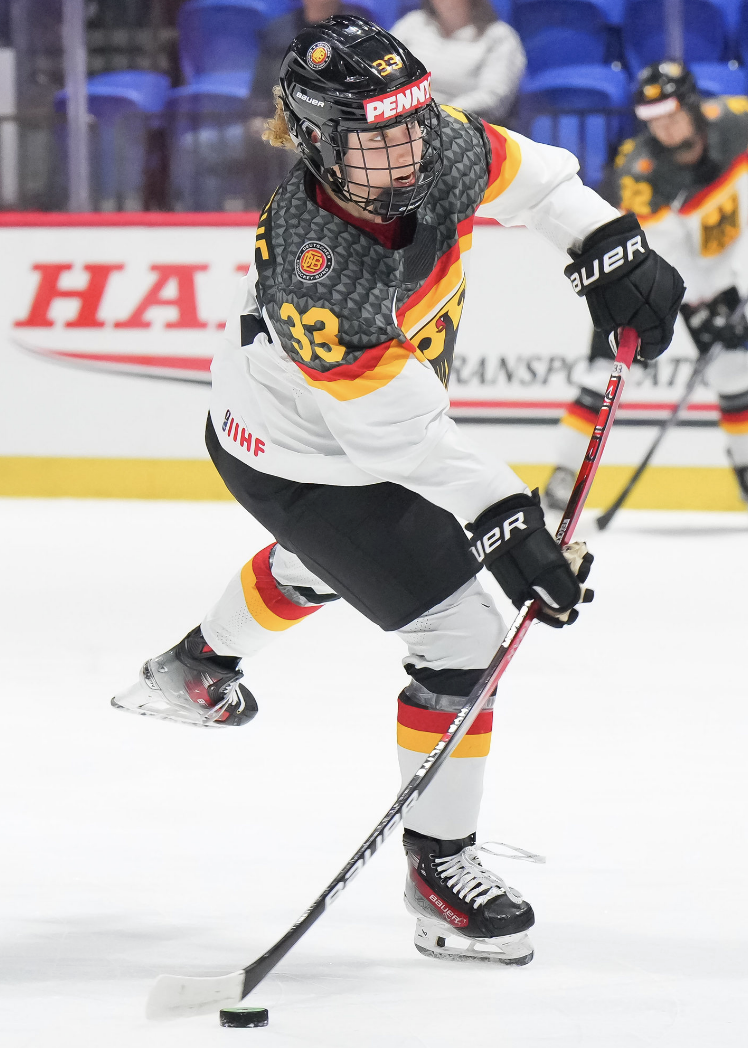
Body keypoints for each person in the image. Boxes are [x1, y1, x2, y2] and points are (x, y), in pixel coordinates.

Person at [112, 17, 683, 965]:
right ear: (317, 140)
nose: (406, 151)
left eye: (411, 124)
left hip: (327, 433)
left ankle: (196, 665)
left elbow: (541, 182)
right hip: (300, 456)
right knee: (462, 635)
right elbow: (401, 438)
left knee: (329, 565)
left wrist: (608, 243)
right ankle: (438, 870)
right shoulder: (318, 267)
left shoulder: (430, 143)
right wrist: (506, 520)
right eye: (376, 139)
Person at [544, 61, 748, 513]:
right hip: (644, 276)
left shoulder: (736, 122)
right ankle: (564, 473)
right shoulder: (640, 169)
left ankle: (746, 471)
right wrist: (707, 304)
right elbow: (657, 251)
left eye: (671, 115)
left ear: (693, 106)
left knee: (737, 372)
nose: (664, 128)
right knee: (608, 376)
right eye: (653, 119)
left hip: (717, 269)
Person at [244, 0, 369, 206]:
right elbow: (260, 91)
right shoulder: (279, 31)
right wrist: (258, 117)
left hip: (341, 121)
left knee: (307, 144)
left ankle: (318, 211)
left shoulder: (358, 28)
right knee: (258, 138)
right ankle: (265, 212)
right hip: (286, 117)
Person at [390, 0, 526, 125]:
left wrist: (441, 114)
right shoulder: (413, 23)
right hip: (401, 115)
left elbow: (494, 96)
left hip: (461, 126)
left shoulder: (498, 36)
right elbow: (384, 67)